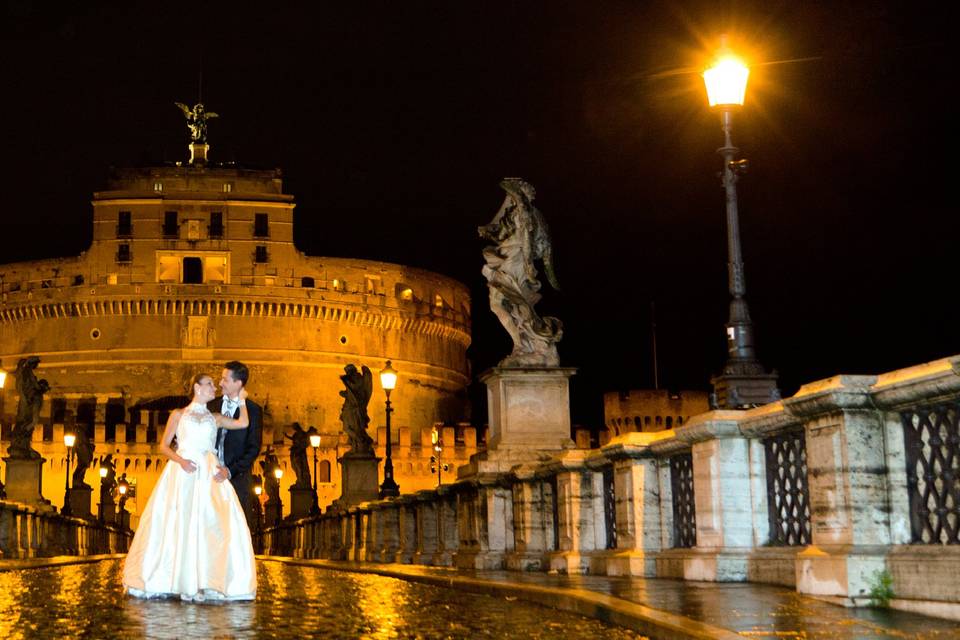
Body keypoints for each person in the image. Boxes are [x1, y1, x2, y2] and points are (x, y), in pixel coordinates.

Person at [122, 373, 256, 601]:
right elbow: (163, 446)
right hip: (183, 471)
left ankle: (207, 579)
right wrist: (181, 460)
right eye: (210, 384)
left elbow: (243, 423)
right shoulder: (178, 414)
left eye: (215, 384)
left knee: (210, 524)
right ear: (197, 387)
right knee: (178, 521)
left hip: (209, 471)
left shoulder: (215, 417)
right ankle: (175, 578)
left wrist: (242, 399)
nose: (214, 387)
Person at [209, 361, 263, 514]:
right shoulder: (211, 406)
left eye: (225, 379)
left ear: (238, 383)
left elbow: (253, 448)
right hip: (209, 479)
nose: (220, 383)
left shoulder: (253, 410)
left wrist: (230, 471)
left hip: (237, 481)